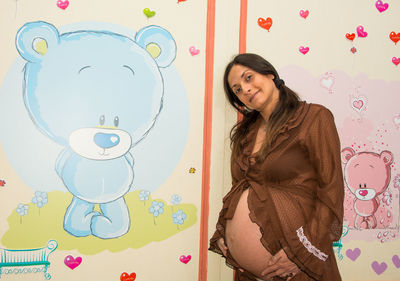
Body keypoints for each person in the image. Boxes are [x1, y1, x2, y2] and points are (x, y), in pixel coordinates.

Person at [209, 53, 344, 281]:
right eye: (238, 89)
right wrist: (224, 230)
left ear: (270, 74)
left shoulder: (314, 118)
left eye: (248, 78)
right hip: (250, 275)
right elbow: (240, 188)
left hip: (297, 267)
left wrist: (300, 253)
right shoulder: (245, 133)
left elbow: (331, 190)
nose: (245, 89)